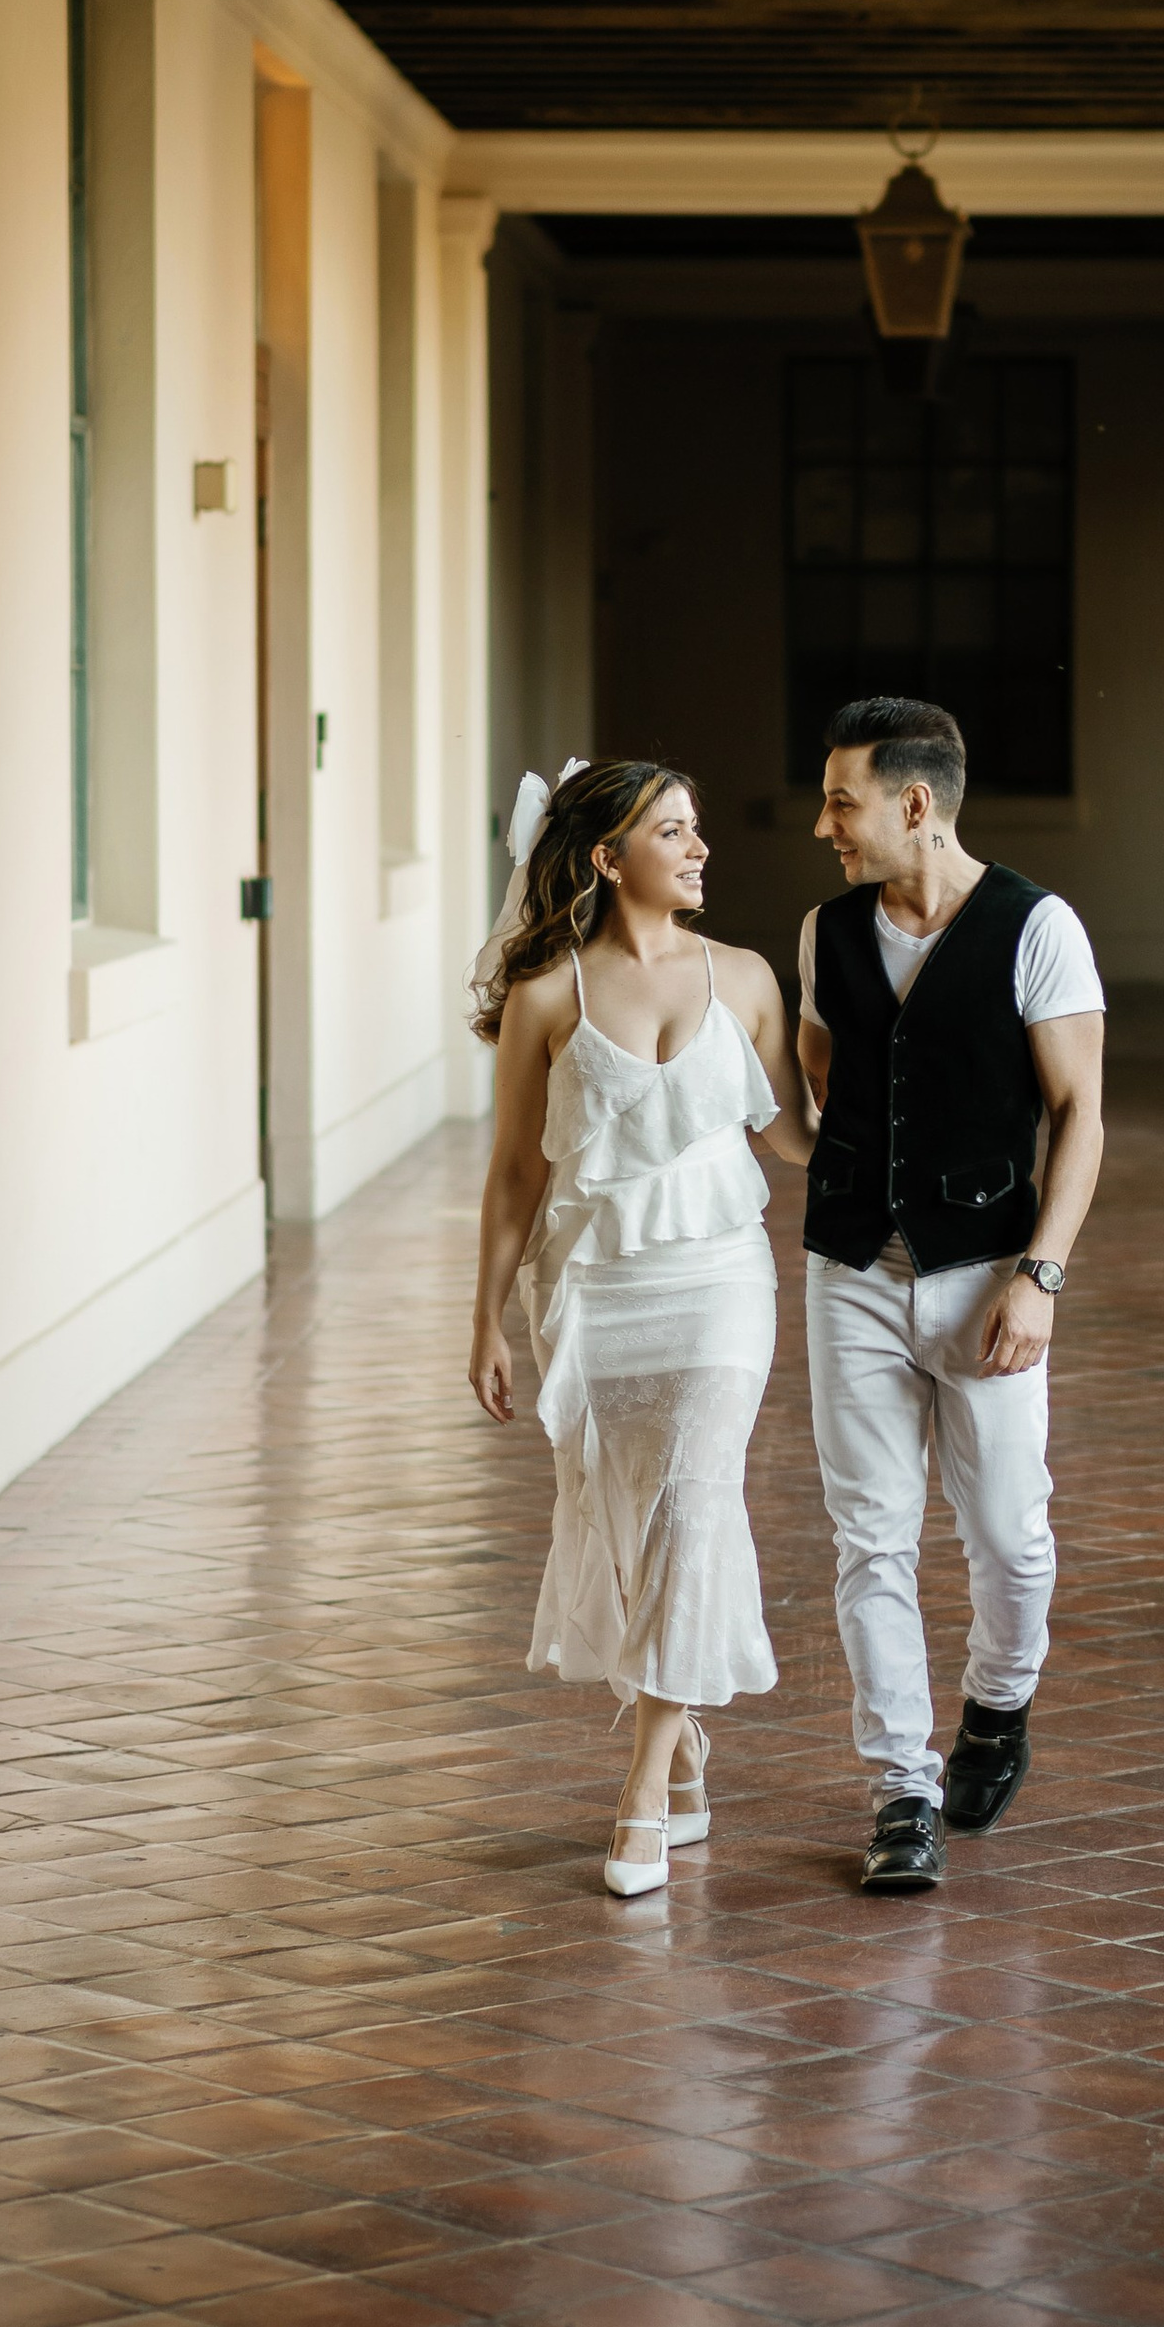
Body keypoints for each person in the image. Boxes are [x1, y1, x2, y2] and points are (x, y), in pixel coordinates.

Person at [469, 757, 811, 1899]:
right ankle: (687, 1741)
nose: (700, 847)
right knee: (623, 1524)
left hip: (719, 1283)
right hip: (593, 1292)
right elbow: (516, 1171)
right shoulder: (547, 997)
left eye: (697, 827)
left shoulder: (749, 980)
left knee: (695, 1503)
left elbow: (797, 1141)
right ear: (609, 859)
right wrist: (486, 1320)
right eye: (673, 831)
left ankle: (640, 1793)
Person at [795, 695, 1106, 1894]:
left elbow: (1079, 1117)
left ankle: (998, 1701)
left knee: (1009, 1538)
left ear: (912, 804)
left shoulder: (1037, 929)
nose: (827, 823)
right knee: (871, 1537)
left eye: (841, 799)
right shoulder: (826, 933)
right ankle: (900, 1793)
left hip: (987, 1274)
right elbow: (829, 1089)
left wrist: (1040, 1277)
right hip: (851, 1271)